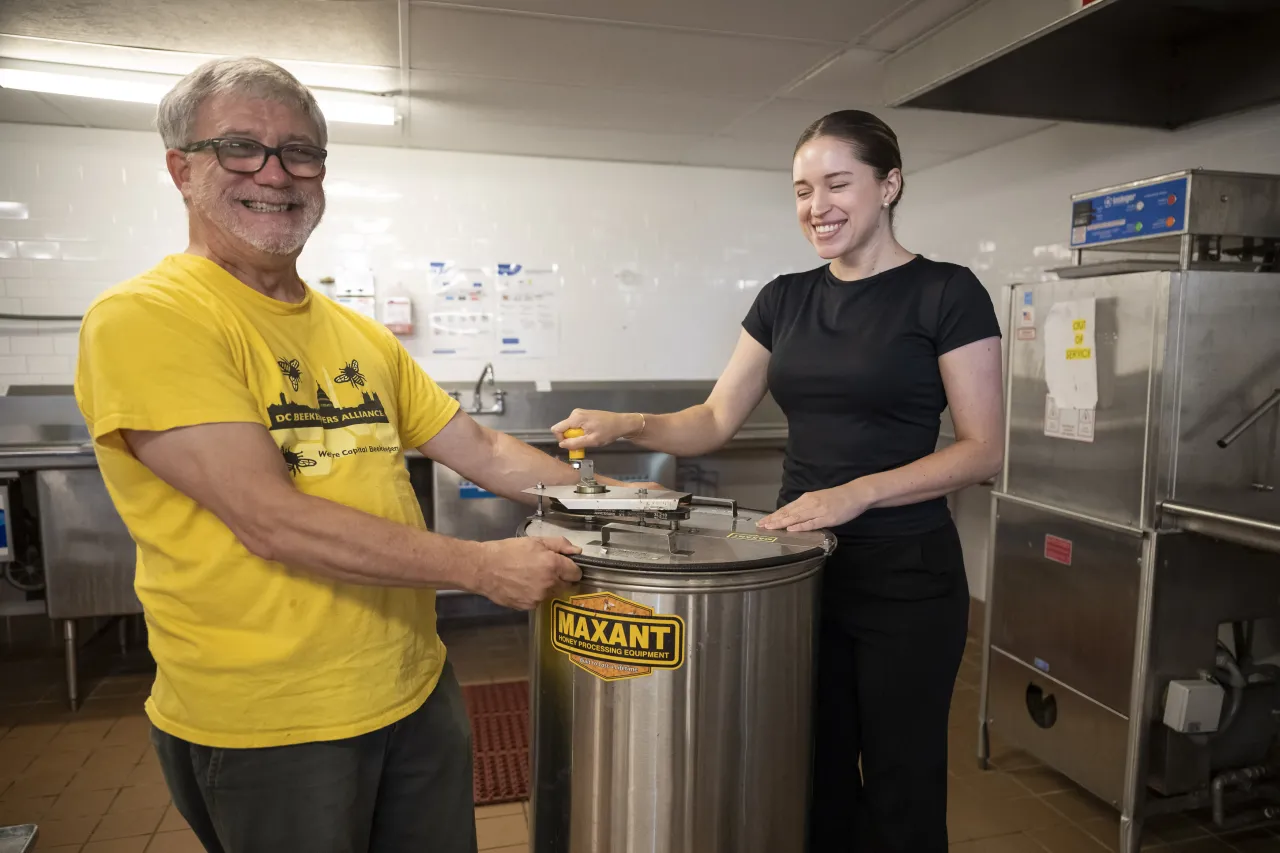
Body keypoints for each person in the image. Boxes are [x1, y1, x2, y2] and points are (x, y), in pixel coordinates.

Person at [73, 57, 637, 853]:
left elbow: (476, 446)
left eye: (300, 152)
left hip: (412, 686)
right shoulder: (149, 317)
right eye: (241, 147)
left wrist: (629, 502)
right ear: (181, 168)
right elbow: (272, 521)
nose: (275, 173)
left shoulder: (355, 334)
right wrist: (482, 566)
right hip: (274, 717)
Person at [551, 110, 1004, 852]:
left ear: (889, 185)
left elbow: (983, 451)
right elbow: (713, 419)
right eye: (801, 190)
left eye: (836, 183)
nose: (815, 206)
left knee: (902, 777)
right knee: (811, 769)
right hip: (799, 570)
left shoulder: (947, 293)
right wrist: (626, 422)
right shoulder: (785, 298)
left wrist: (855, 492)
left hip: (907, 575)